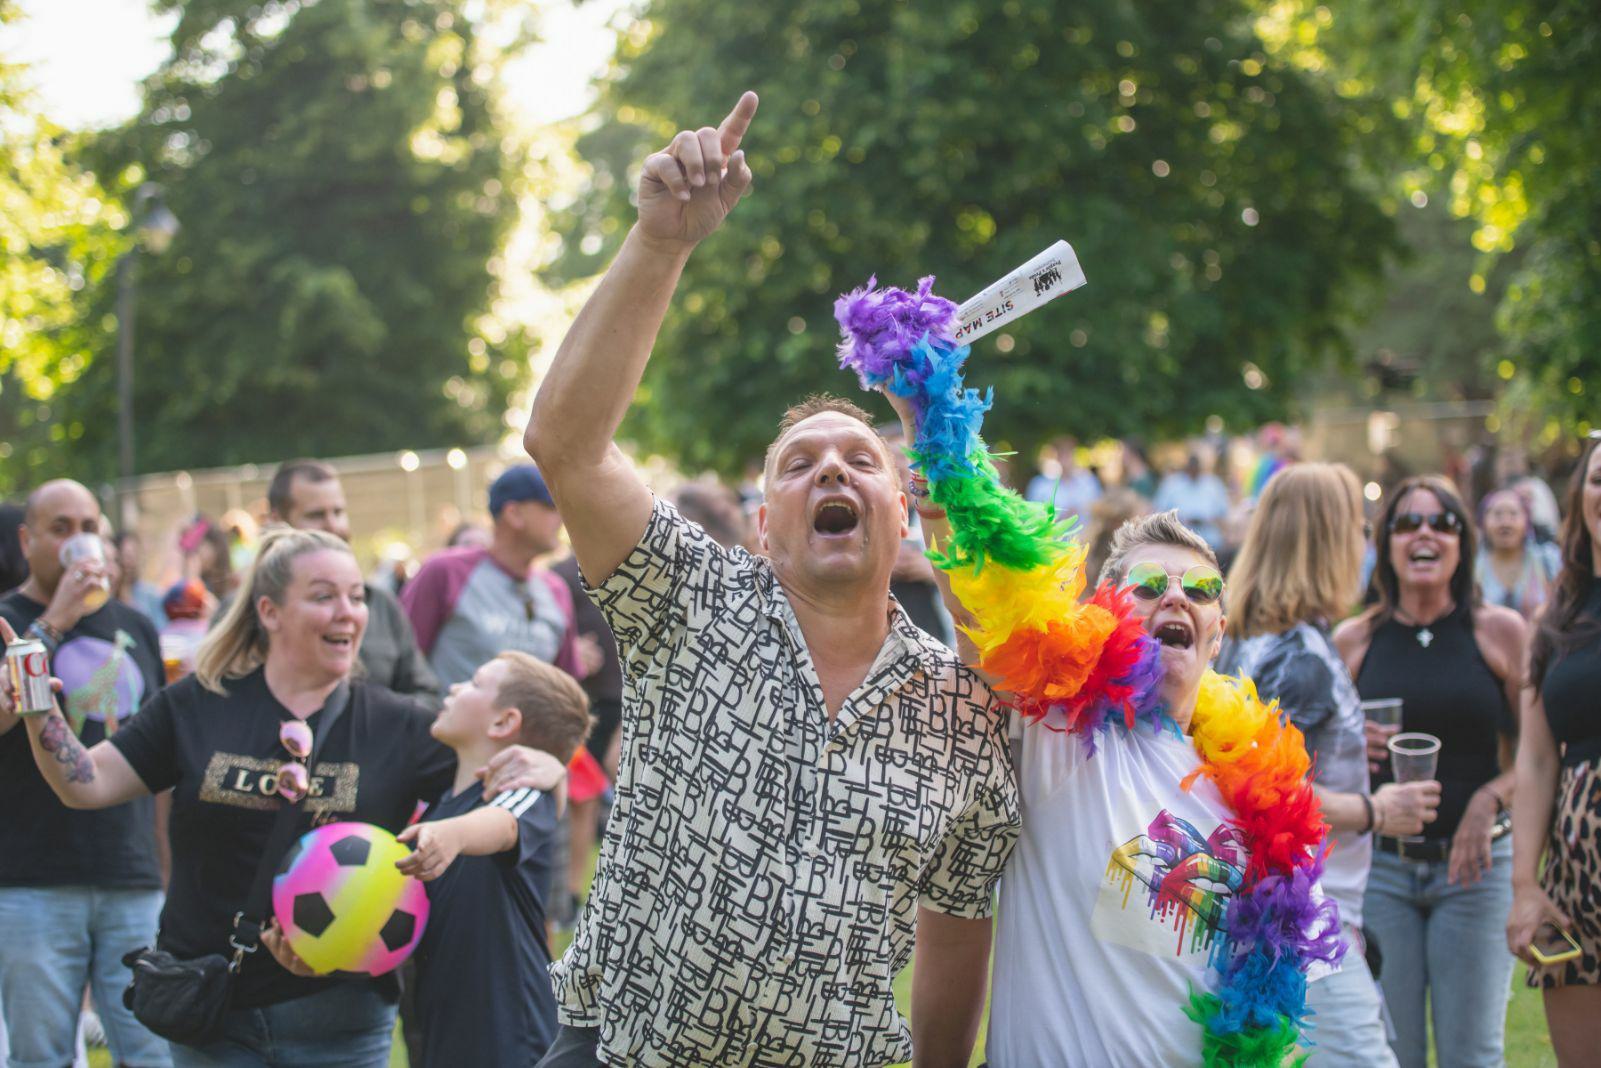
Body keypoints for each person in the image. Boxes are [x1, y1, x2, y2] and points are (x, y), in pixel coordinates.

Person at [523, 91, 1018, 1066]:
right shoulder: (688, 600)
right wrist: (659, 245)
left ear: (905, 511)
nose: (831, 468)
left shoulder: (956, 712)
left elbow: (957, 927)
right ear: (761, 527)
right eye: (798, 464)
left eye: (858, 459)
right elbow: (566, 446)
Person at [1, 526, 566, 1068]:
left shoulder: (400, 727)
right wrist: (38, 710)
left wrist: (549, 770)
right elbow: (86, 783)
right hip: (211, 1011)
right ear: (269, 612)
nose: (348, 612)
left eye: (355, 596)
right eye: (323, 597)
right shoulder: (198, 705)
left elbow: (508, 803)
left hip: (341, 1020)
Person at [1218, 463, 1442, 1066]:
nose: (1364, 542)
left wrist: (1345, 741)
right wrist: (1375, 809)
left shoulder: (1253, 637)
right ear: (1328, 539)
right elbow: (1256, 795)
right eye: (1357, 527)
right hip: (1310, 924)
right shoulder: (1302, 655)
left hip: (1290, 921)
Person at [1334, 475, 1527, 1068]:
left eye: (1441, 522)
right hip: (1383, 872)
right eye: (1408, 522)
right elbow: (1310, 768)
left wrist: (1490, 798)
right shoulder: (1354, 640)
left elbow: (1538, 755)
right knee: (1393, 1054)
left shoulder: (1498, 631)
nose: (1424, 533)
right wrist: (1349, 747)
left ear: (1461, 543)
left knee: (1473, 1054)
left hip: (1477, 872)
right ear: (1386, 543)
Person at [0, 480, 172, 1068]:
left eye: (89, 527)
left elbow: (160, 756)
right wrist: (54, 620)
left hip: (131, 878)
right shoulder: (8, 620)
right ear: (27, 541)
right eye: (61, 529)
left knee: (152, 1050)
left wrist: (165, 867)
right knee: (41, 1054)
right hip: (31, 880)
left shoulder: (137, 626)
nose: (80, 542)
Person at [398, 651, 591, 1067]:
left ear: (504, 722)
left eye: (473, 683)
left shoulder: (526, 791)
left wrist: (454, 835)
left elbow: (504, 825)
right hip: (441, 1029)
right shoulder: (441, 807)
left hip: (509, 1036)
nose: (453, 687)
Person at [1508, 434, 1601, 1065]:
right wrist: (1523, 886)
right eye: (1598, 480)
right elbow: (1537, 761)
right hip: (1578, 878)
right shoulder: (1558, 620)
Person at [263, 459, 441, 704]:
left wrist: (379, 723)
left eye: (338, 512)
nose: (333, 526)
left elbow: (425, 695)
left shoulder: (381, 605)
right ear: (270, 613)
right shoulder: (247, 611)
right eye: (315, 515)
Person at [401, 465, 583, 690]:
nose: (561, 517)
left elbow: (565, 688)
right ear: (513, 513)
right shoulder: (445, 572)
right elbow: (402, 660)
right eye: (551, 506)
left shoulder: (556, 590)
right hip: (447, 723)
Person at [1476, 486, 1560, 620]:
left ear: (1526, 521)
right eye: (1497, 514)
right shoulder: (1471, 567)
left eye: (1513, 514)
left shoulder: (1549, 559)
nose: (1505, 523)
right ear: (1483, 522)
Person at [1154, 451, 1232, 552]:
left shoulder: (1213, 485)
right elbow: (1159, 513)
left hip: (1211, 543)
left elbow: (1223, 516)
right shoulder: (1172, 484)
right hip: (1179, 542)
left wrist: (1208, 521)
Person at [1025, 435, 1102, 525]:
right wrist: (1060, 518)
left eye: (1069, 452)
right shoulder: (1039, 485)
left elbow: (1099, 510)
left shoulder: (1088, 481)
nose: (1065, 458)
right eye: (1061, 453)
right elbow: (1031, 518)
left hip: (1087, 537)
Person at [113, 531, 168, 626]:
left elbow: (161, 628)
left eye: (133, 555)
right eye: (125, 556)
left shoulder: (150, 594)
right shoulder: (109, 596)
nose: (129, 563)